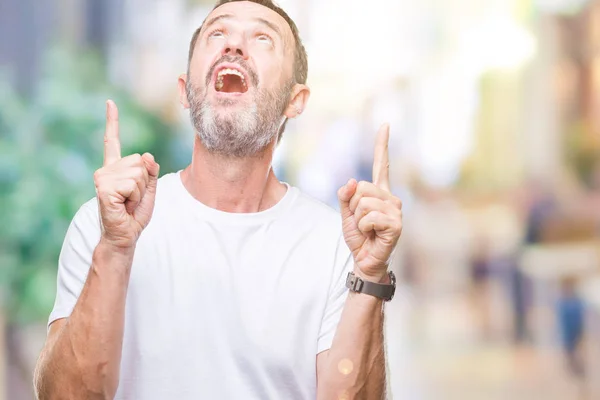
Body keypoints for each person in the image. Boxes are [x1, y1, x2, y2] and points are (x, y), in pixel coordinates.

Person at [33, 0, 403, 399]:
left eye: (262, 37)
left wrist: (368, 275)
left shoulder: (335, 245)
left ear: (295, 101)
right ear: (186, 90)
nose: (235, 46)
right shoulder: (104, 225)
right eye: (217, 33)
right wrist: (116, 248)